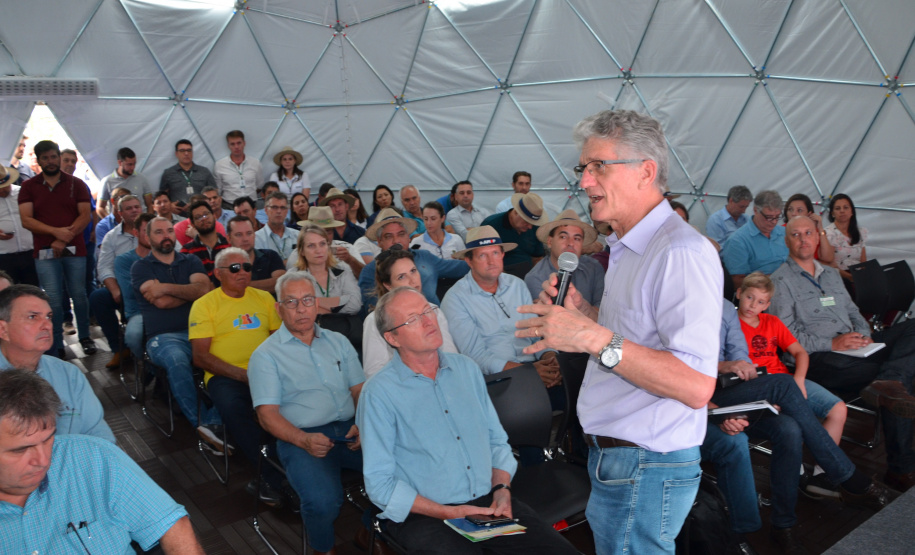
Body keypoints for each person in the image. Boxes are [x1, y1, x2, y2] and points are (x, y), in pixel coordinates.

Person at [515, 110, 722, 554]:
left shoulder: (681, 252)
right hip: (623, 458)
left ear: (646, 171)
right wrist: (584, 313)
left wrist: (589, 337)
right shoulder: (628, 248)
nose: (585, 182)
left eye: (598, 167)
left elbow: (695, 384)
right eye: (582, 169)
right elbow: (636, 338)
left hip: (646, 461)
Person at [357, 287, 579, 555]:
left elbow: (496, 440)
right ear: (393, 338)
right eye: (413, 318)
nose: (429, 321)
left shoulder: (466, 369)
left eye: (428, 310)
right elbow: (380, 484)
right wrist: (448, 512)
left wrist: (501, 488)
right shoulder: (379, 393)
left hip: (486, 504)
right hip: (424, 514)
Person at [703, 303, 894, 553]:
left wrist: (746, 377)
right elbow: (676, 368)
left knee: (789, 429)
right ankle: (849, 478)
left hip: (728, 389)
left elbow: (740, 355)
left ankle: (784, 526)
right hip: (697, 395)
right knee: (783, 384)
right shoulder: (675, 303)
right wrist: (720, 381)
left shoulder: (725, 306)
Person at [770, 215, 915, 491]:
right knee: (893, 378)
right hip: (819, 359)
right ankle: (900, 466)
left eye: (808, 233)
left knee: (910, 334)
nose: (803, 239)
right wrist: (833, 343)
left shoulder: (832, 274)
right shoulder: (780, 282)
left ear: (817, 237)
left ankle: (891, 379)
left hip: (857, 347)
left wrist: (865, 335)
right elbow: (788, 339)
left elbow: (853, 312)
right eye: (796, 234)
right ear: (787, 240)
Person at [0, 369, 206, 554]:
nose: (43, 460)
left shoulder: (93, 457)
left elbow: (170, 524)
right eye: (21, 450)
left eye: (48, 440)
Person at [249, 272, 364, 555]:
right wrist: (303, 440)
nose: (301, 309)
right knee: (324, 501)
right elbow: (267, 416)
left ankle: (371, 531)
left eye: (307, 300)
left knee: (405, 465)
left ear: (317, 304)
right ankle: (322, 550)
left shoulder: (338, 341)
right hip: (300, 437)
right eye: (291, 302)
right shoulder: (265, 356)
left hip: (351, 429)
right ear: (278, 309)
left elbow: (360, 391)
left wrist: (363, 424)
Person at [190, 247, 285, 503]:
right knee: (234, 407)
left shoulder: (264, 298)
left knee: (295, 401)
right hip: (225, 375)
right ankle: (273, 474)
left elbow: (279, 341)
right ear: (218, 274)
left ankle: (286, 466)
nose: (242, 272)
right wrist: (243, 375)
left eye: (246, 267)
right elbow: (200, 357)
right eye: (234, 268)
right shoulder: (204, 305)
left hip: (266, 370)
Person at [735, 272, 848, 480]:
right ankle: (796, 474)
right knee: (793, 425)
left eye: (760, 301)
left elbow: (800, 353)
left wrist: (799, 380)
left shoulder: (772, 322)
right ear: (739, 293)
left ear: (767, 305)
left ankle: (824, 475)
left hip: (787, 381)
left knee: (838, 409)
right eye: (749, 297)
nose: (752, 305)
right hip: (761, 386)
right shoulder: (730, 324)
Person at [132, 217, 225, 450]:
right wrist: (189, 293)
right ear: (148, 237)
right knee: (176, 360)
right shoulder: (141, 267)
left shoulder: (190, 260)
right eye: (159, 232)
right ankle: (203, 424)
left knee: (232, 353)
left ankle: (215, 419)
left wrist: (163, 286)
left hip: (200, 330)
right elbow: (161, 303)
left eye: (170, 231)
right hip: (163, 336)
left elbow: (204, 289)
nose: (166, 236)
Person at [0, 285, 114, 441]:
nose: (47, 325)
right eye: (33, 317)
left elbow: (98, 434)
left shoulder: (68, 374)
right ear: (3, 329)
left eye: (49, 316)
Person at [18, 140, 95, 358]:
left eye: (53, 157)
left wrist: (63, 237)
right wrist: (55, 233)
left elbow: (84, 215)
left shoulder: (77, 184)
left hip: (75, 250)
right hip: (44, 251)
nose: (50, 161)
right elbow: (26, 220)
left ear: (58, 157)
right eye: (45, 158)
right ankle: (57, 343)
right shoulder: (28, 186)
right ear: (38, 161)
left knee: (79, 294)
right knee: (52, 298)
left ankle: (85, 337)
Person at [362, 248, 458, 379]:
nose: (413, 281)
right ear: (388, 286)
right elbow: (374, 373)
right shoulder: (374, 321)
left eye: (413, 271)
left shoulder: (434, 310)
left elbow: (451, 356)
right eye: (401, 277)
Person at [357, 208, 469, 307]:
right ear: (379, 241)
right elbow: (372, 311)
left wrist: (479, 256)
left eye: (401, 234)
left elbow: (460, 267)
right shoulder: (370, 271)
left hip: (435, 320)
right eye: (388, 236)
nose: (396, 241)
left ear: (408, 237)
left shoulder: (425, 257)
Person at [91, 195, 143, 365]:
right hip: (123, 286)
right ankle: (119, 349)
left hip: (152, 284)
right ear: (119, 213)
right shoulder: (111, 237)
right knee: (98, 298)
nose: (134, 210)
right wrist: (114, 290)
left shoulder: (155, 229)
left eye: (136, 206)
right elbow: (104, 267)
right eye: (129, 208)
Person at [524, 209, 604, 306]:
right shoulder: (535, 277)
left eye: (577, 238)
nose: (570, 243)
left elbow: (602, 313)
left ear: (582, 244)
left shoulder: (594, 268)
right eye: (563, 237)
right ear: (550, 242)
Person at [720, 190, 788, 290]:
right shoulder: (737, 241)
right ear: (756, 210)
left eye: (777, 217)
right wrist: (776, 277)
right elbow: (737, 283)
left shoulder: (785, 232)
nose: (773, 222)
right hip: (762, 296)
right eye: (768, 217)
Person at [291, 224, 362, 318]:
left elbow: (354, 305)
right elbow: (293, 311)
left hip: (343, 328)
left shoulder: (343, 269)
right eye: (311, 245)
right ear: (302, 251)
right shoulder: (293, 276)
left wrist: (310, 301)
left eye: (322, 244)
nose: (318, 250)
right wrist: (338, 302)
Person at [113, 212, 155, 361]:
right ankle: (147, 366)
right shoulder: (123, 260)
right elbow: (132, 291)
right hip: (139, 311)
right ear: (136, 233)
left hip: (168, 308)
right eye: (146, 231)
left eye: (155, 231)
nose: (151, 236)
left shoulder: (167, 255)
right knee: (133, 336)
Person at [481, 192, 546, 269]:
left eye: (533, 223)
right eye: (527, 222)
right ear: (516, 212)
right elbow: (482, 259)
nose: (530, 227)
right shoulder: (491, 226)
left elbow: (537, 258)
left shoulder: (535, 227)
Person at [226, 215, 286, 294]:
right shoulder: (223, 263)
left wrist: (241, 285)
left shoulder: (271, 255)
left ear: (254, 235)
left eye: (249, 233)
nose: (245, 239)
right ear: (229, 239)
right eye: (239, 235)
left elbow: (280, 283)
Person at [0, 164, 37, 287]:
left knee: (33, 290)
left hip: (29, 253)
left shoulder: (22, 193)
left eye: (5, 186)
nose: (3, 190)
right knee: (7, 295)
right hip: (4, 257)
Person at [159, 139, 217, 215]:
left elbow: (214, 193)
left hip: (202, 213)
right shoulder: (168, 173)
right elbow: (162, 196)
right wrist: (170, 205)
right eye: (182, 151)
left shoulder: (204, 171)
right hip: (178, 215)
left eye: (189, 150)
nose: (186, 153)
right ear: (176, 153)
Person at [180, 200, 230, 285]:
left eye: (206, 214)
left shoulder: (230, 246)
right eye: (198, 217)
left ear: (214, 216)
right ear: (192, 224)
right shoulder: (186, 251)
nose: (203, 219)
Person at [97, 147, 153, 217]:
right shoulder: (107, 181)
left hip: (141, 221)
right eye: (129, 164)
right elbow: (100, 208)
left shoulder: (142, 179)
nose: (133, 167)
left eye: (134, 164)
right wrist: (111, 223)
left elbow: (150, 205)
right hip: (120, 222)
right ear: (120, 162)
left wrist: (148, 221)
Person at [824, 193, 867, 283]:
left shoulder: (860, 232)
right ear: (832, 213)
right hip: (838, 276)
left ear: (852, 211)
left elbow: (863, 262)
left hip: (858, 275)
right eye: (837, 208)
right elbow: (829, 263)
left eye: (846, 207)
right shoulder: (828, 233)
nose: (842, 211)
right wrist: (849, 277)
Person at [213, 130, 262, 207]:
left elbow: (259, 185)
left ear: (244, 143)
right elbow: (218, 189)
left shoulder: (255, 163)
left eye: (239, 143)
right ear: (228, 146)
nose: (236, 147)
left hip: (251, 205)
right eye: (232, 144)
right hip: (229, 205)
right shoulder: (219, 165)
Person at [783, 193, 834, 264]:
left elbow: (828, 258)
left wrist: (820, 228)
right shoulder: (780, 231)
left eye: (799, 210)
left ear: (809, 214)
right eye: (790, 209)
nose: (793, 213)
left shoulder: (813, 232)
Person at [254, 192, 297, 260]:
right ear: (266, 210)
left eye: (282, 207)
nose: (279, 211)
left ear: (286, 211)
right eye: (274, 207)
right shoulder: (256, 238)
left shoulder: (298, 235)